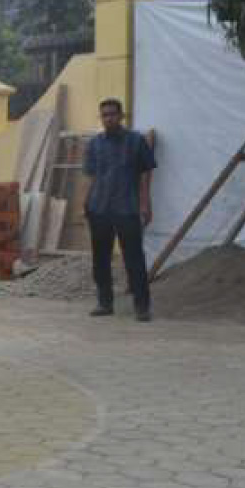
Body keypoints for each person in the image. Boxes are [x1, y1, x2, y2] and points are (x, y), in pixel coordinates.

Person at [83, 98, 157, 322]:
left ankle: (142, 307)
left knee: (134, 258)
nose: (108, 118)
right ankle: (105, 303)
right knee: (101, 259)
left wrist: (145, 203)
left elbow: (145, 175)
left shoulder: (136, 142)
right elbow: (90, 177)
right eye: (104, 115)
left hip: (127, 208)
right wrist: (84, 203)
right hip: (100, 208)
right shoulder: (94, 144)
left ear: (121, 116)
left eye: (112, 114)